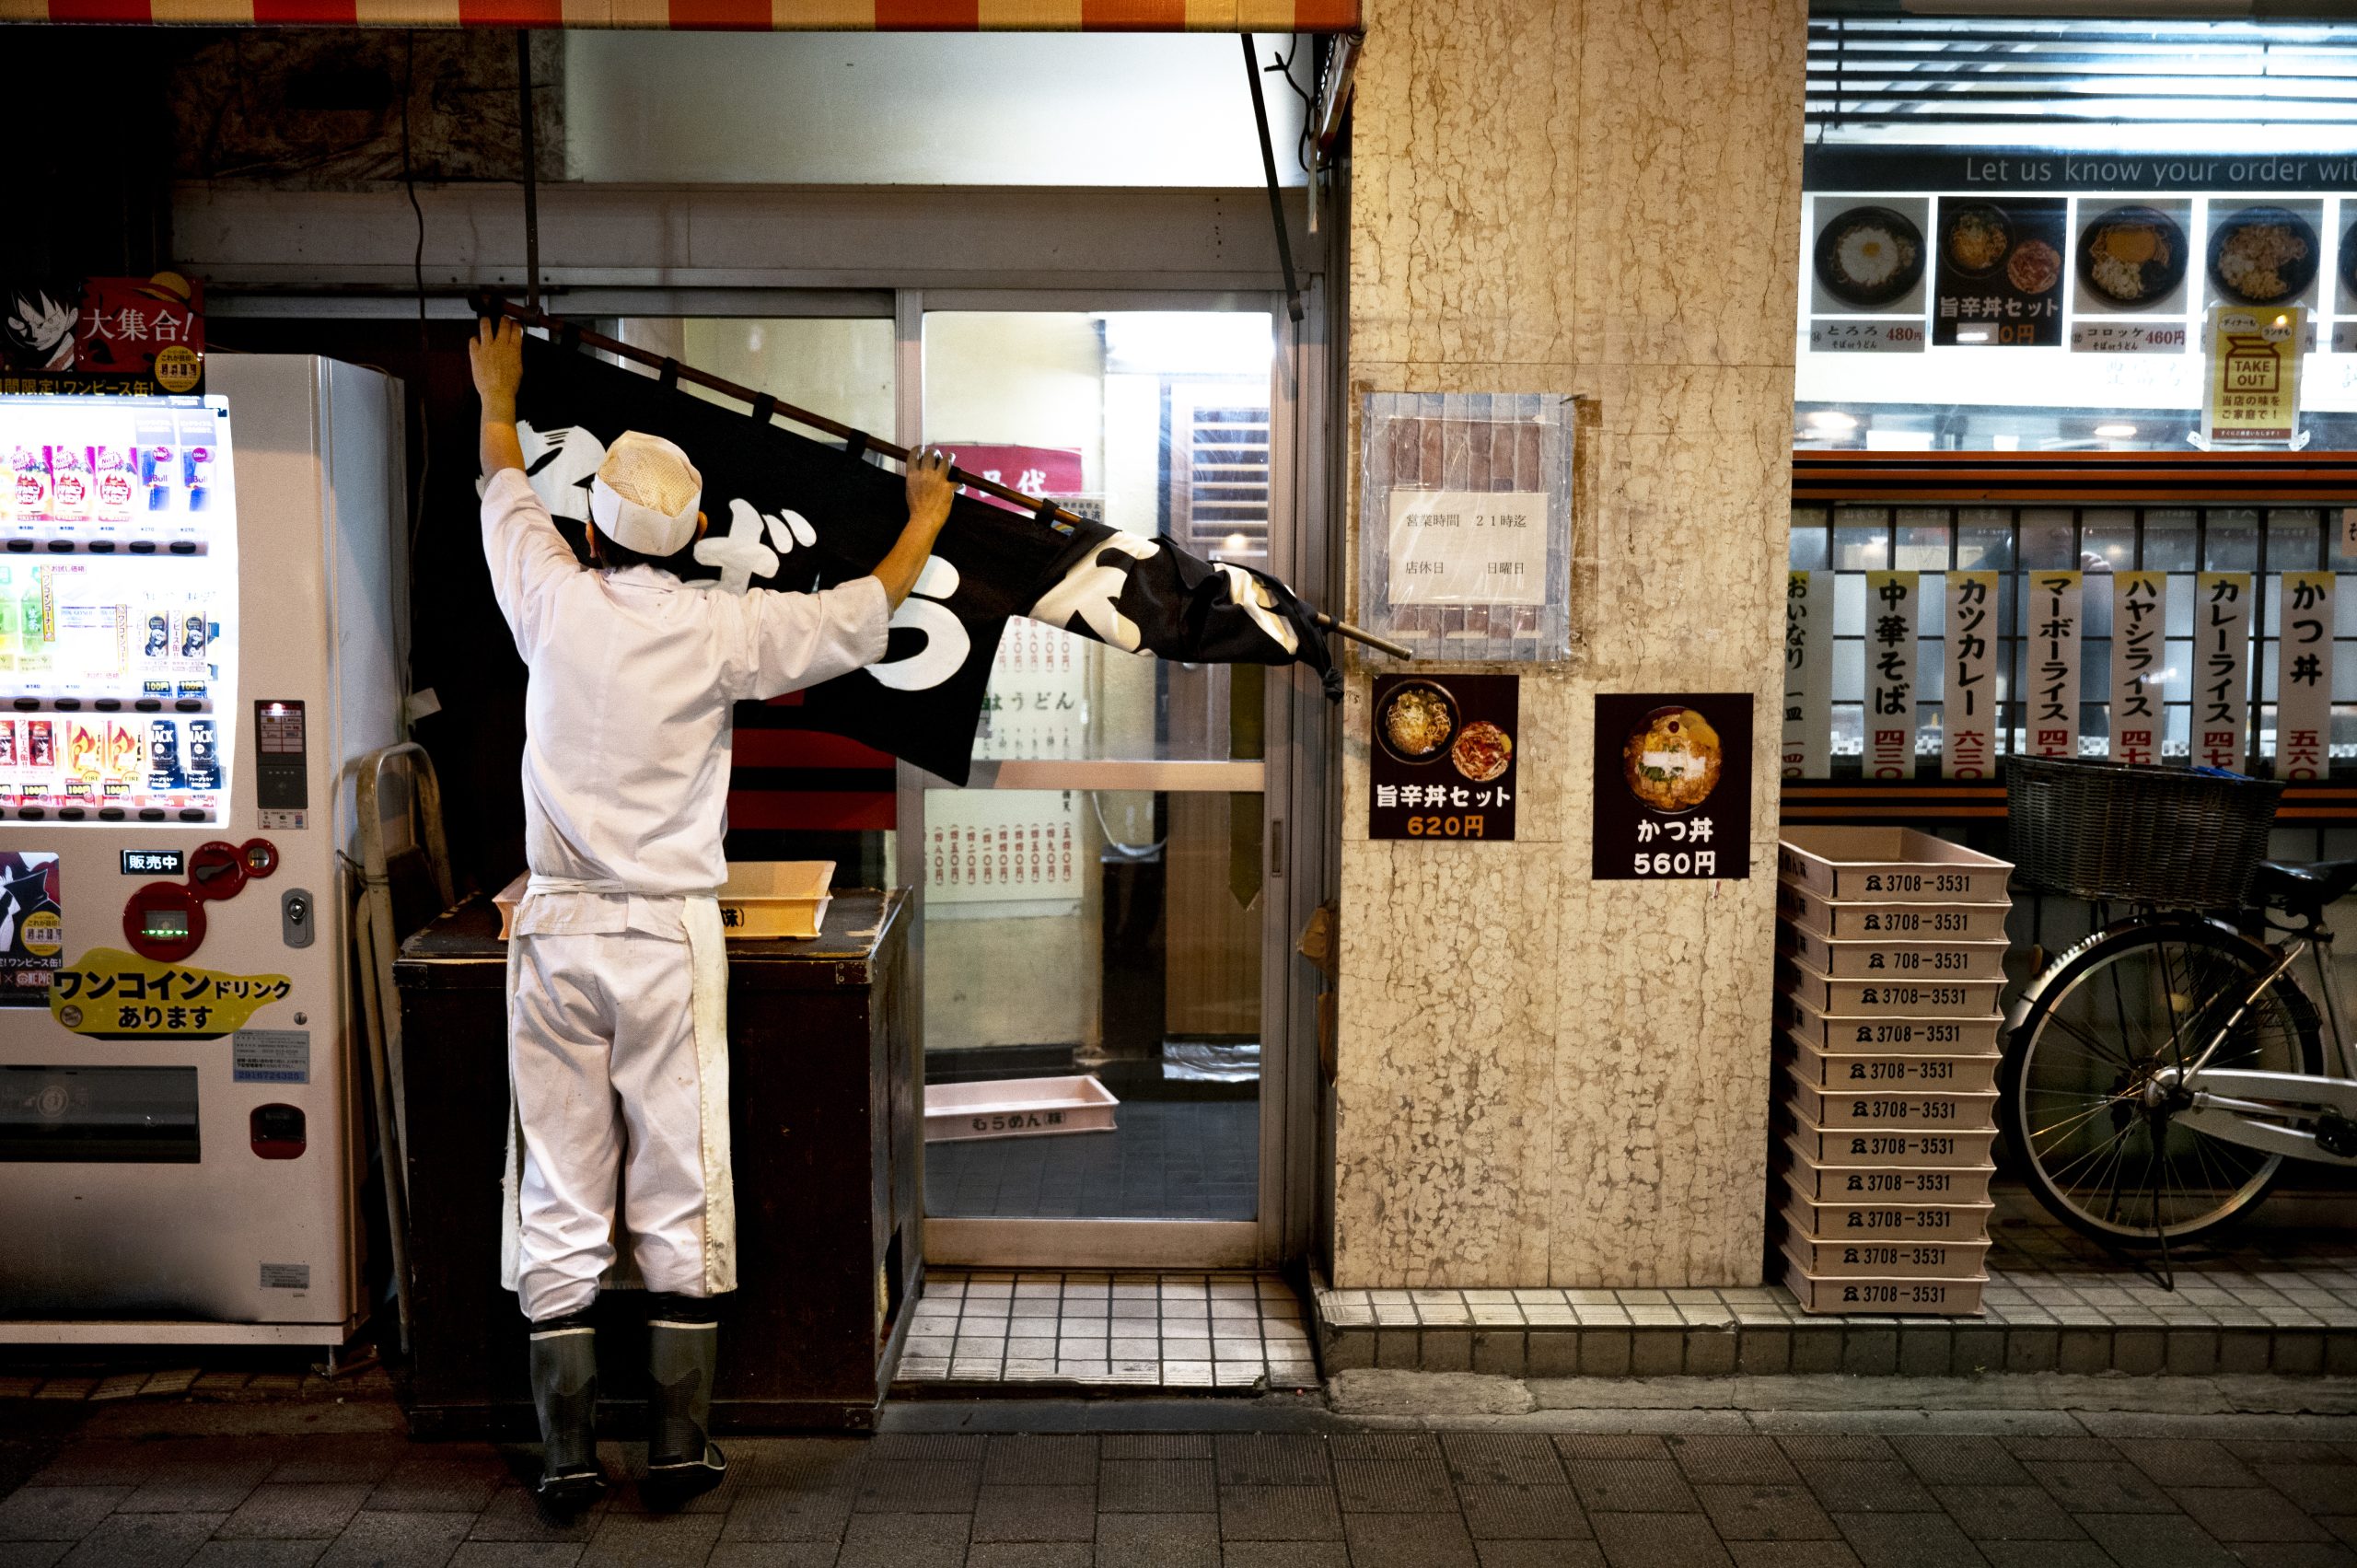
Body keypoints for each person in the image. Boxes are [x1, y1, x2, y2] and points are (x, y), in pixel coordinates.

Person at [468, 317, 955, 1512]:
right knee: (681, 1174)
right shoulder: (719, 627)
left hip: (557, 929)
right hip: (672, 934)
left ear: (592, 524)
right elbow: (853, 615)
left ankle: (569, 1453)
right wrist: (927, 518)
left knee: (562, 1182)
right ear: (691, 538)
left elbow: (500, 486)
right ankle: (681, 1447)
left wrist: (498, 388)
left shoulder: (552, 599)